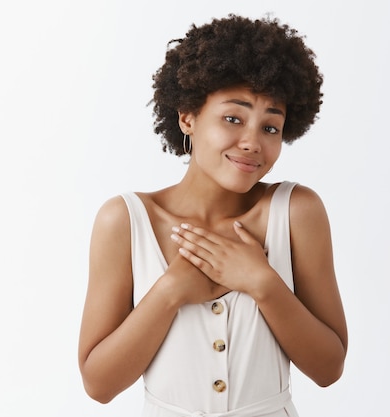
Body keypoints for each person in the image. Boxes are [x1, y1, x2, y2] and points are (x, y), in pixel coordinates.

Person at [78, 14, 347, 417]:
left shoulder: (296, 212)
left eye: (271, 128)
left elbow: (329, 369)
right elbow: (98, 384)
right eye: (233, 119)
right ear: (188, 116)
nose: (252, 142)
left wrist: (261, 282)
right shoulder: (126, 220)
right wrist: (170, 291)